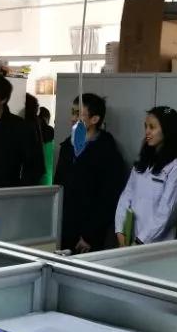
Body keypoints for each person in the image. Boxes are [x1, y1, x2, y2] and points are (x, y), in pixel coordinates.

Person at [54, 93, 127, 253]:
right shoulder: (67, 147)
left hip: (88, 235)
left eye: (78, 114)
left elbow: (108, 198)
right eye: (72, 112)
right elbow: (58, 186)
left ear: (94, 119)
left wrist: (90, 235)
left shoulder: (107, 152)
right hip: (63, 228)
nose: (72, 118)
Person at [114, 106, 177, 246]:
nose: (147, 132)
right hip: (131, 239)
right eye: (146, 127)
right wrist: (120, 231)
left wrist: (140, 240)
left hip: (156, 244)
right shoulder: (144, 161)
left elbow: (167, 212)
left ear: (167, 130)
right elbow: (126, 195)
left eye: (152, 127)